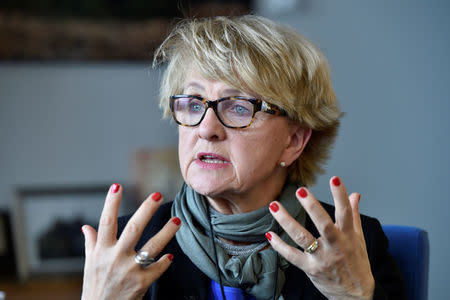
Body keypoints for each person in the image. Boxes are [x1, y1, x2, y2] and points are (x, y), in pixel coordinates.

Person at [81, 15, 406, 300]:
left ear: (293, 141)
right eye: (194, 104)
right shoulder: (125, 250)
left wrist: (353, 297)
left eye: (238, 107)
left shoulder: (356, 248)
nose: (207, 129)